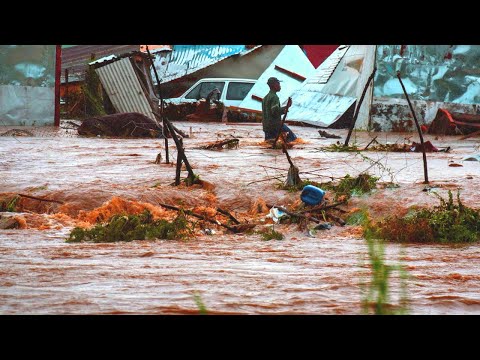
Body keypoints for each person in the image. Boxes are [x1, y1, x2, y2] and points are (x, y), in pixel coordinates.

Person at [261, 77, 297, 143]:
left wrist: (286, 107)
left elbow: (271, 111)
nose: (280, 86)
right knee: (293, 139)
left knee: (269, 143)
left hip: (266, 127)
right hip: (275, 125)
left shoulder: (265, 98)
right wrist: (286, 108)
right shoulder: (274, 97)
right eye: (278, 84)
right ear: (274, 85)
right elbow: (275, 111)